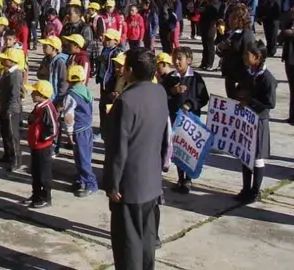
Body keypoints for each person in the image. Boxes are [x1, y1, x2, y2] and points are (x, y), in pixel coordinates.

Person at [103, 49, 170, 270]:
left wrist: (112, 184)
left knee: (128, 243)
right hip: (151, 180)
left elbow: (118, 148)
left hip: (128, 185)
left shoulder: (127, 100)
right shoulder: (159, 92)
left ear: (130, 70)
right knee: (147, 237)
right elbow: (164, 137)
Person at [161, 47, 209, 193]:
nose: (176, 62)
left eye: (179, 59)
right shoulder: (170, 78)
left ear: (188, 60)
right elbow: (161, 94)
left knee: (189, 149)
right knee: (177, 149)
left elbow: (203, 98)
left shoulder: (196, 78)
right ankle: (180, 179)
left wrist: (191, 104)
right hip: (175, 119)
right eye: (174, 58)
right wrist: (172, 91)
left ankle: (188, 180)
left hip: (191, 121)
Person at [235, 41, 277, 202]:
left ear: (257, 58)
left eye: (248, 55)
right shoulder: (248, 73)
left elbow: (270, 103)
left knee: (257, 156)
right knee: (246, 155)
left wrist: (250, 101)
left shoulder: (267, 78)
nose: (245, 58)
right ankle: (245, 189)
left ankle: (255, 191)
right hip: (247, 118)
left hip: (259, 120)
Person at [61, 64, 98, 197]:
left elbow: (69, 116)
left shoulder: (71, 95)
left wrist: (69, 132)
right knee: (85, 156)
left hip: (78, 130)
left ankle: (91, 184)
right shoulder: (86, 91)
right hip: (87, 128)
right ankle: (81, 180)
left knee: (82, 159)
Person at [22, 80, 57, 208]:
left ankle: (46, 197)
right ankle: (36, 194)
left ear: (41, 94)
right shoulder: (39, 107)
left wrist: (42, 138)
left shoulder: (47, 108)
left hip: (43, 147)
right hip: (35, 146)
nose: (31, 94)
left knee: (44, 174)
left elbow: (53, 129)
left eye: (34, 92)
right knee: (35, 172)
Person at [0, 48, 25, 172]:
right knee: (5, 133)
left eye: (5, 59)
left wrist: (10, 110)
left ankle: (16, 161)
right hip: (5, 106)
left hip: (11, 109)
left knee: (13, 135)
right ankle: (7, 155)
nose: (2, 60)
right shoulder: (7, 72)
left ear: (11, 61)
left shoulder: (16, 74)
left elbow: (15, 94)